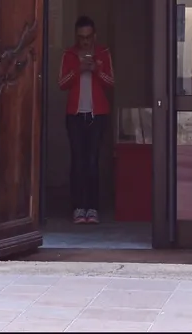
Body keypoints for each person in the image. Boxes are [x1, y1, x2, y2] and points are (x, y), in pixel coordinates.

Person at [58, 15, 114, 225]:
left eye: (88, 37)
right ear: (76, 37)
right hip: (75, 115)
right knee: (78, 161)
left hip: (97, 115)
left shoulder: (103, 53)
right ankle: (77, 207)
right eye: (81, 37)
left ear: (94, 35)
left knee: (92, 161)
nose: (85, 41)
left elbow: (111, 82)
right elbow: (61, 83)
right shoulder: (69, 54)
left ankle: (93, 208)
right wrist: (78, 70)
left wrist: (96, 69)